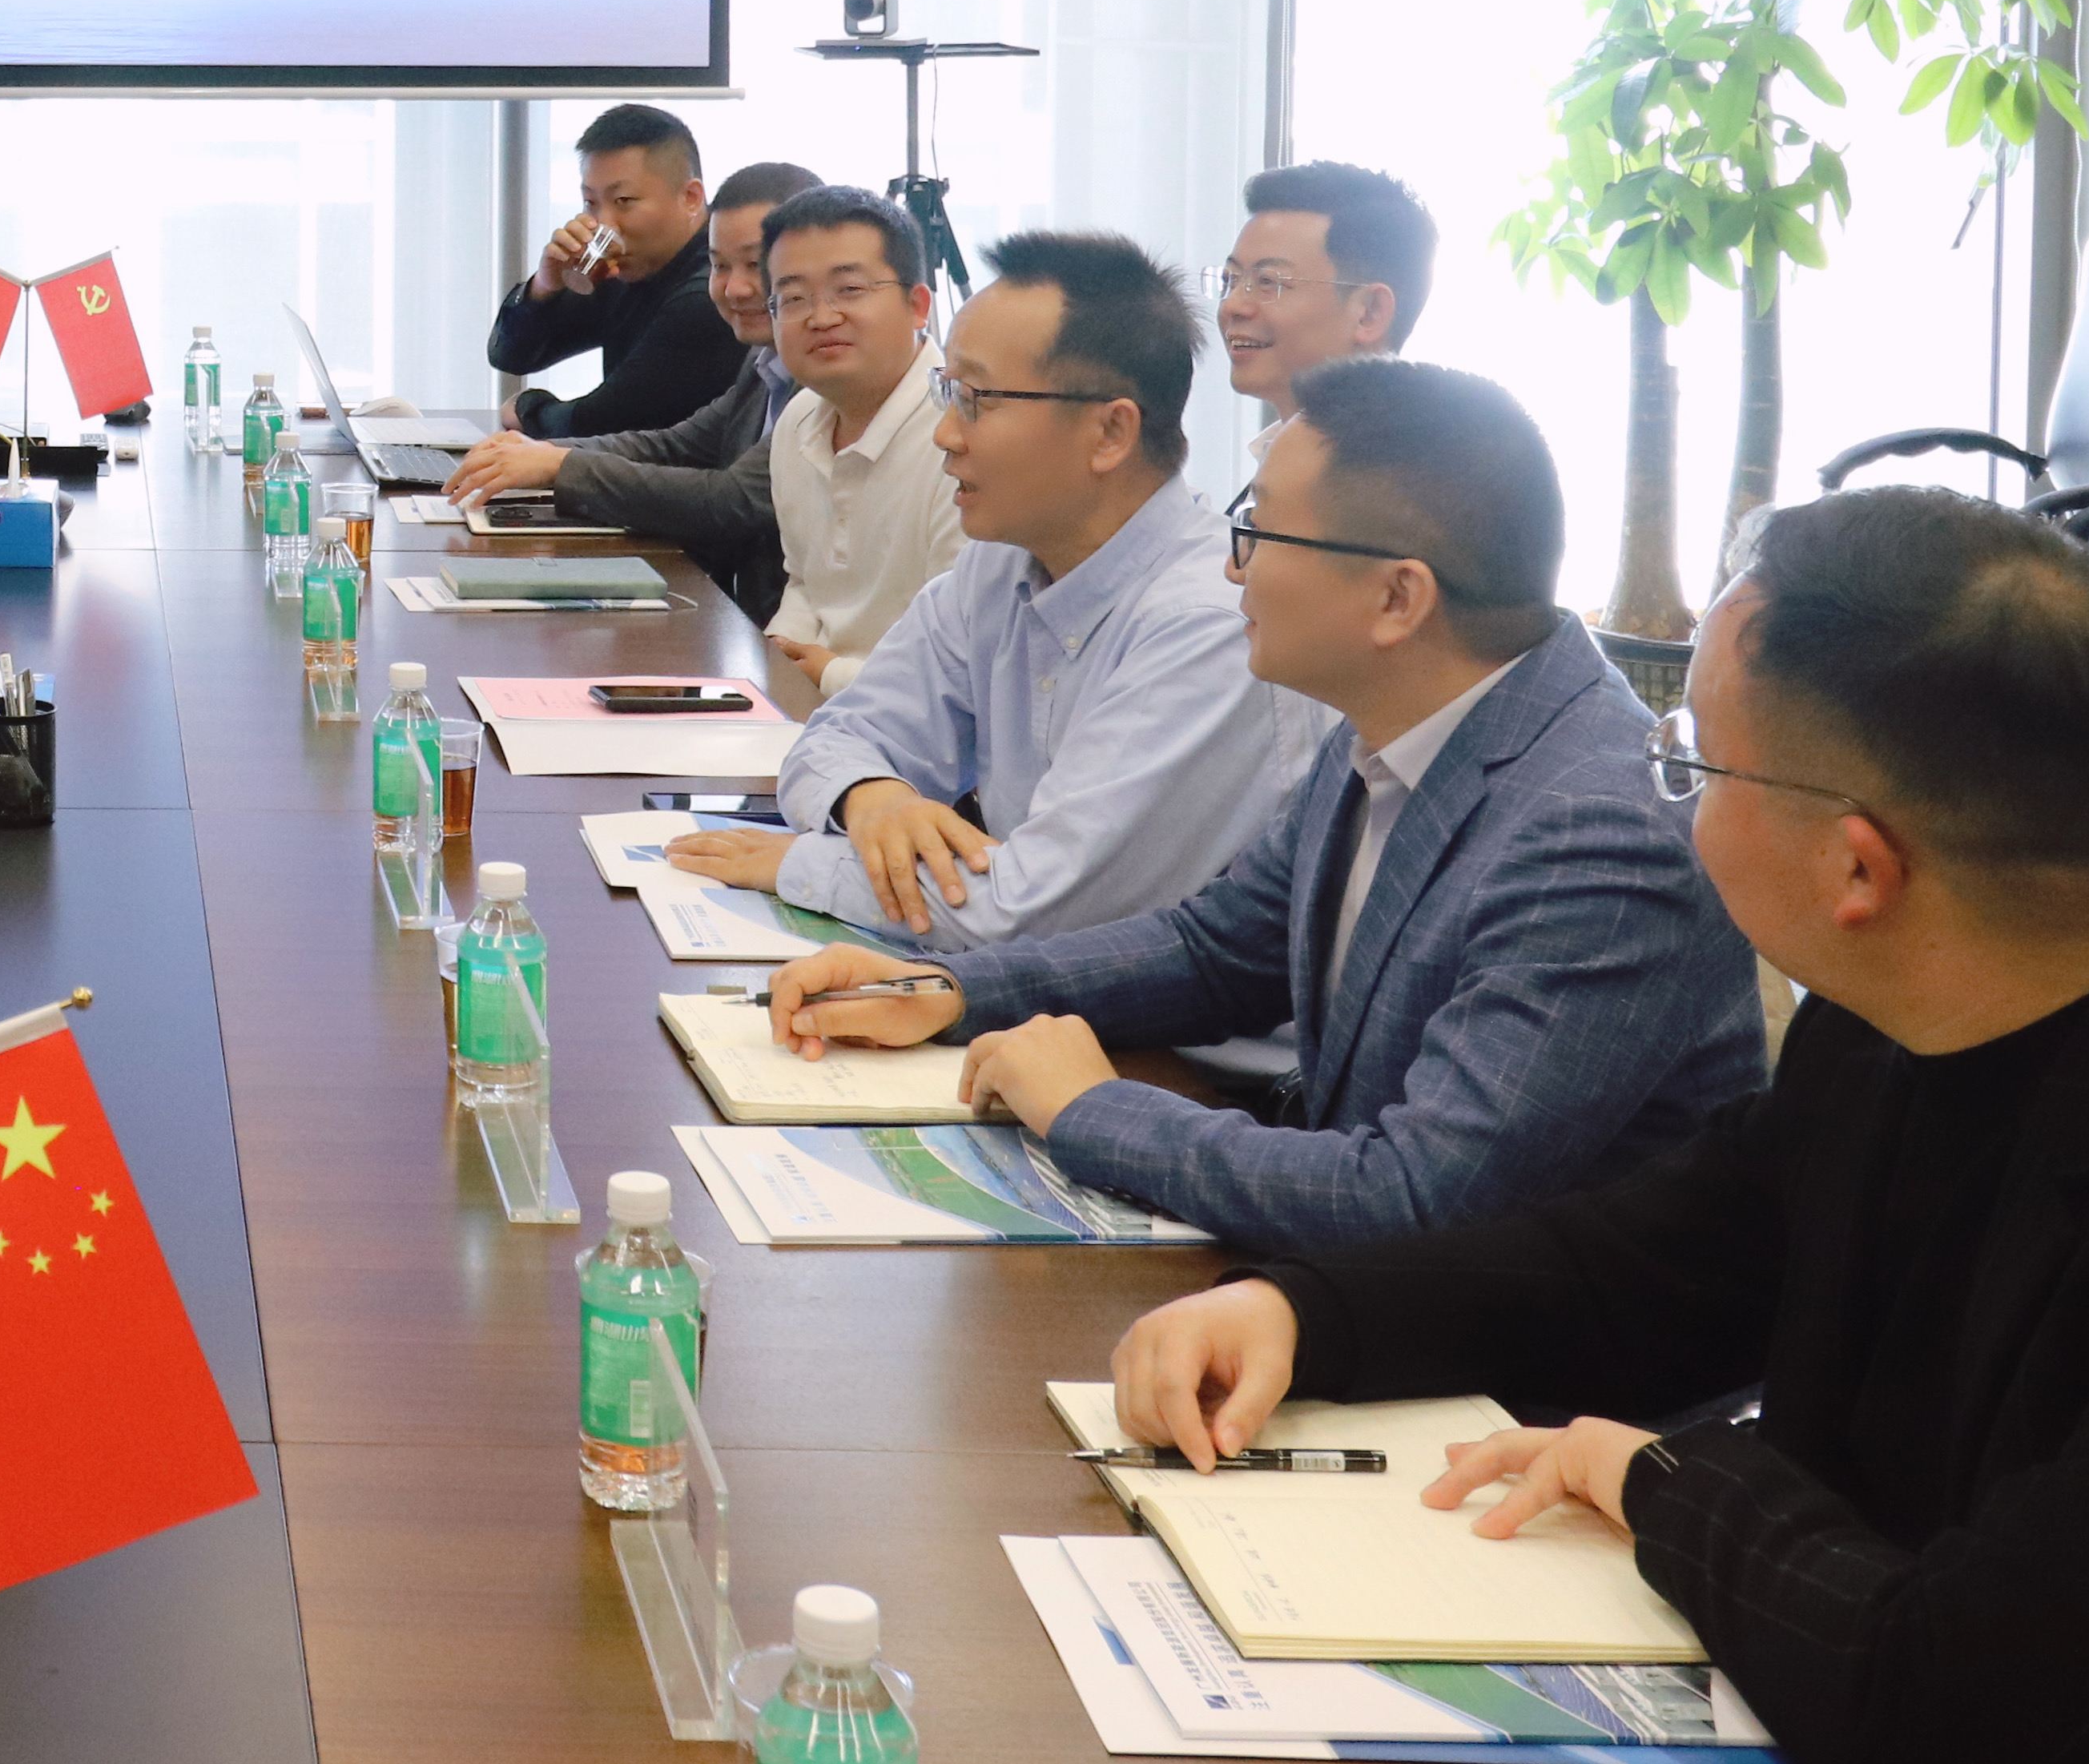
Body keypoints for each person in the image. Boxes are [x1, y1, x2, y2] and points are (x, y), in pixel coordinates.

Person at [1104, 486, 2089, 1762]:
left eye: (1690, 762)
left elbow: (1945, 1690)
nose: (1666, 798)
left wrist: (1662, 1482)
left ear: (1857, 870)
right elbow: (1644, 1266)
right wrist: (1304, 1313)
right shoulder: (1884, 1027)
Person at [762, 359, 1761, 1250]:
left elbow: (1414, 1194)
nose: (1229, 565)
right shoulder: (1393, 716)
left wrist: (1090, 1107)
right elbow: (1218, 950)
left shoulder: (1596, 829)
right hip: (1366, 1295)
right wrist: (947, 990)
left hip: (1527, 1370)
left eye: (1258, 531)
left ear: (1396, 598)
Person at [664, 230, 1311, 946]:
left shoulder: (1208, 626)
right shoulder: (1000, 563)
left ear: (1110, 432)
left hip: (1146, 1014)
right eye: (948, 391)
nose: (945, 433)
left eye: (976, 399)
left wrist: (797, 864)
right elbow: (839, 735)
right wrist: (872, 799)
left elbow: (1035, 910)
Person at [443, 160, 818, 617]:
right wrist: (542, 454)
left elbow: (732, 500)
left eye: (756, 265)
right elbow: (677, 445)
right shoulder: (764, 359)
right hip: (748, 618)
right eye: (720, 265)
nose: (735, 288)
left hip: (786, 629)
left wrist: (556, 461)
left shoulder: (820, 376)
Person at [755, 184, 962, 695]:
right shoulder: (799, 418)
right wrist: (776, 653)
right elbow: (807, 584)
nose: (822, 317)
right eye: (794, 298)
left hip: (923, 723)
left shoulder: (963, 433)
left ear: (918, 305)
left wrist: (829, 673)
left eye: (849, 290)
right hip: (812, 707)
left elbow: (968, 652)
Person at [485, 104, 747, 440]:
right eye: (591, 203)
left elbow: (601, 423)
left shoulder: (708, 292)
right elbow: (511, 356)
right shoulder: (625, 268)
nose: (604, 224)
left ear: (691, 198)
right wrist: (544, 287)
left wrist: (527, 408)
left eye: (623, 200)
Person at [1216, 160, 1432, 465]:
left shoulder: (1406, 481)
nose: (1232, 306)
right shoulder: (1281, 465)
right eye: (1231, 280)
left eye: (1268, 282)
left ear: (1370, 313)